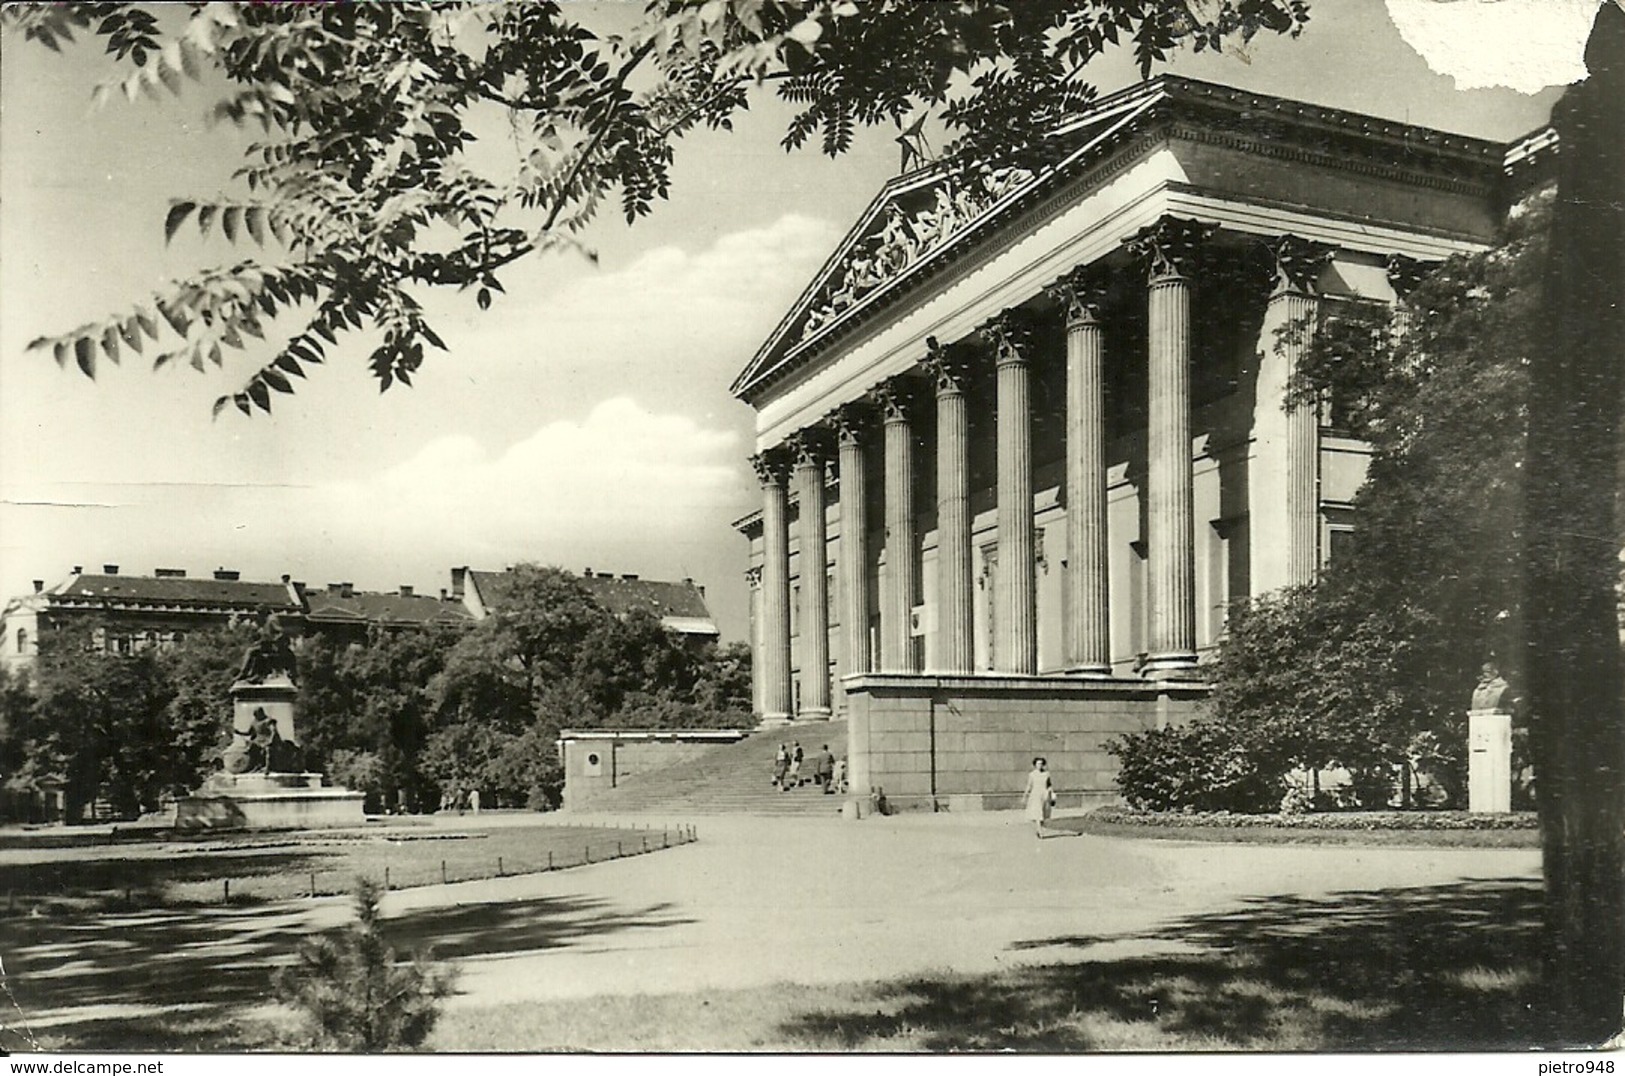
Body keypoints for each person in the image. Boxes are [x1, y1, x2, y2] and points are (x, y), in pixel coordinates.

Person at [1023, 757, 1055, 839]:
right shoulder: (1032, 774)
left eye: (1041, 764)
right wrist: (1025, 796)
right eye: (1038, 764)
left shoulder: (1046, 774)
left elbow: (1049, 785)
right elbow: (1029, 785)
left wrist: (1051, 793)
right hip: (1035, 795)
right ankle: (1040, 833)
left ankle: (1038, 829)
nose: (1039, 765)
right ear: (1035, 765)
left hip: (1044, 794)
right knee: (1038, 813)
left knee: (1043, 816)